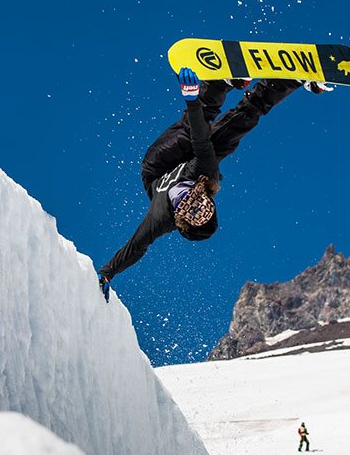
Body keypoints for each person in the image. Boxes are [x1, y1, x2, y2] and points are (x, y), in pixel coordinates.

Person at [96, 67, 331, 302]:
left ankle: (219, 83)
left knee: (187, 132)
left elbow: (135, 247)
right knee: (241, 122)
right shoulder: (204, 174)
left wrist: (107, 274)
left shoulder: (159, 219)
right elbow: (202, 137)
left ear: (178, 216)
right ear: (205, 196)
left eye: (185, 204)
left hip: (157, 166)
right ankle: (290, 81)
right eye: (198, 201)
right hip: (198, 159)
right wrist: (191, 99)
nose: (186, 197)